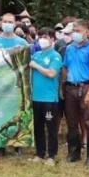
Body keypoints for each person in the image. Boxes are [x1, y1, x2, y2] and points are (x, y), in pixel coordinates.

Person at [61, 19, 89, 166]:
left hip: (85, 87)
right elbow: (65, 68)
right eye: (74, 31)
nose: (75, 34)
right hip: (70, 87)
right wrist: (62, 87)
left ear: (87, 32)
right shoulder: (69, 48)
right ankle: (74, 152)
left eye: (78, 31)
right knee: (71, 121)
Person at [29, 27, 62, 166]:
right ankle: (39, 153)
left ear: (53, 40)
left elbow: (51, 74)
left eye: (46, 37)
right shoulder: (36, 55)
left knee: (51, 127)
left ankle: (52, 155)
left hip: (49, 99)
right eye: (40, 36)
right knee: (38, 127)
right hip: (36, 97)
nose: (43, 39)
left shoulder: (55, 56)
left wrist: (36, 66)